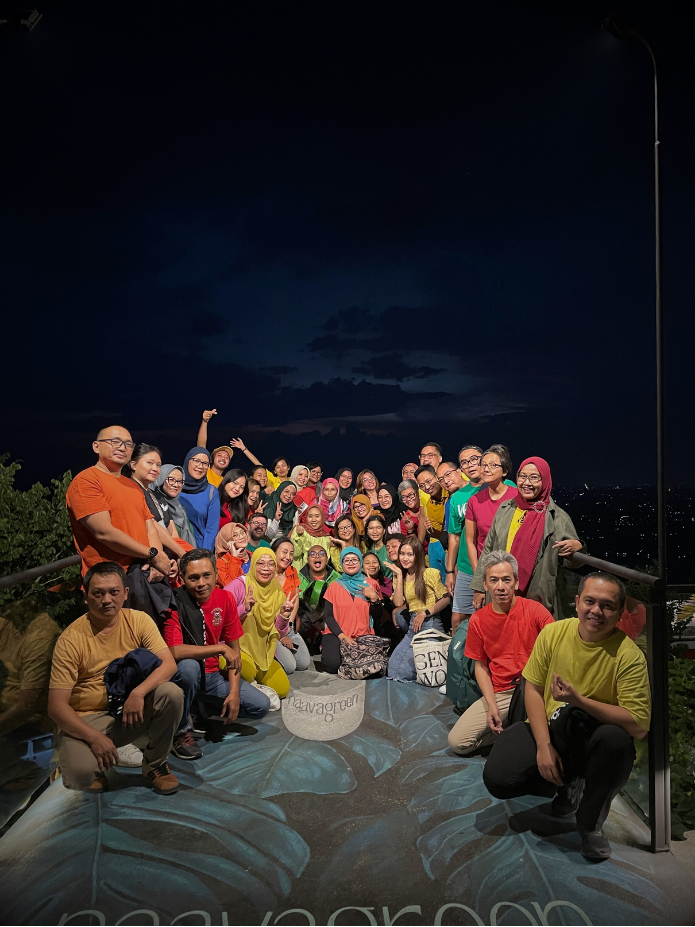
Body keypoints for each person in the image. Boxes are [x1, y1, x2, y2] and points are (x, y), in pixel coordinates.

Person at [483, 572, 651, 861]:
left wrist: (578, 700)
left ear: (620, 612)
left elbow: (638, 725)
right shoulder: (554, 633)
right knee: (498, 777)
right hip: (552, 727)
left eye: (607, 605)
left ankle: (590, 825)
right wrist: (543, 747)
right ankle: (566, 783)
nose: (596, 611)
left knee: (616, 742)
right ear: (577, 602)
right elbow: (532, 689)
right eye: (590, 601)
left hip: (594, 738)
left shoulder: (629, 656)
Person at [48, 561, 182, 795]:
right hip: (88, 717)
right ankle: (92, 761)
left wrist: (138, 693)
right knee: (80, 776)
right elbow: (56, 706)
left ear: (125, 593)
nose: (107, 600)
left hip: (128, 709)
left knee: (171, 693)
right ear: (86, 597)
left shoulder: (139, 620)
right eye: (98, 593)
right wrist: (94, 737)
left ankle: (155, 765)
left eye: (114, 592)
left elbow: (168, 664)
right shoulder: (70, 640)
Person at [164, 550, 271, 760]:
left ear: (215, 574)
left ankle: (198, 708)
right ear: (182, 579)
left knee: (261, 706)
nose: (201, 583)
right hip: (182, 675)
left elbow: (234, 650)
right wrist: (219, 649)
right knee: (189, 668)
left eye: (207, 575)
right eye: (193, 578)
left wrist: (234, 692)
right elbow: (173, 651)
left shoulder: (225, 598)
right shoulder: (174, 601)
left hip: (212, 676)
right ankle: (179, 731)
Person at [447, 551, 554, 756]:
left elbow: (557, 647)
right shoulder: (478, 620)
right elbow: (481, 666)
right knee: (458, 742)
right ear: (485, 584)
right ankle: (516, 731)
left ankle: (519, 730)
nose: (500, 587)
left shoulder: (535, 610)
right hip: (503, 691)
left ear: (516, 582)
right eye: (493, 580)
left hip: (537, 687)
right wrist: (491, 704)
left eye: (506, 580)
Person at [66, 426, 177, 621]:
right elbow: (104, 532)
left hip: (140, 577)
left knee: (147, 633)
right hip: (108, 582)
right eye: (115, 442)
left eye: (128, 444)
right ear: (96, 446)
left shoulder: (132, 486)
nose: (122, 447)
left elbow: (149, 526)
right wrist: (152, 554)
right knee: (114, 635)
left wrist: (156, 560)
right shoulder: (86, 481)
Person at [472, 457, 584, 617]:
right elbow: (488, 550)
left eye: (534, 477)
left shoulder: (557, 517)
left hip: (536, 597)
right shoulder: (506, 508)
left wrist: (578, 547)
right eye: (522, 476)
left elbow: (572, 562)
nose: (527, 483)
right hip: (501, 591)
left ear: (545, 481)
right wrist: (479, 587)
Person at [224, 549, 294, 698]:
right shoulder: (238, 586)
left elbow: (278, 634)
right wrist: (244, 608)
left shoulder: (277, 592)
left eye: (271, 564)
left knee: (282, 689)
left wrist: (284, 616)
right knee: (247, 672)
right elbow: (221, 621)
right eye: (260, 563)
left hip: (263, 652)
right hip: (234, 648)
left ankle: (252, 687)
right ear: (253, 564)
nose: (266, 568)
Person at [387, 537, 451, 682]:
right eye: (402, 554)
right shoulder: (400, 575)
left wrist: (425, 613)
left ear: (418, 555)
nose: (405, 558)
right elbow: (398, 602)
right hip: (413, 626)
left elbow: (446, 599)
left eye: (410, 554)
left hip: (430, 624)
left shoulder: (429, 573)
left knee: (406, 672)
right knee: (393, 669)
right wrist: (399, 575)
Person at [320, 548, 384, 675]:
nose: (350, 563)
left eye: (354, 559)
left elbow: (378, 616)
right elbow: (328, 615)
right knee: (332, 666)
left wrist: (374, 599)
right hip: (338, 634)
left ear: (360, 562)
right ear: (342, 563)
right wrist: (342, 636)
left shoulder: (371, 584)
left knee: (371, 668)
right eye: (347, 560)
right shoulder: (334, 586)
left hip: (363, 635)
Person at [438, 455, 483, 632]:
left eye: (448, 474)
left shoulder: (491, 488)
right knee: (457, 619)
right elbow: (454, 537)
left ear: (459, 471)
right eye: (441, 479)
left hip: (489, 561)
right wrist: (450, 571)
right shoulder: (454, 500)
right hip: (465, 565)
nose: (445, 481)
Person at [124, 444, 188, 559]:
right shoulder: (130, 490)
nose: (155, 468)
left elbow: (172, 531)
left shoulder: (156, 495)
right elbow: (152, 526)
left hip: (166, 556)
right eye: (150, 463)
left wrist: (176, 556)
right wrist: (180, 553)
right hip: (146, 557)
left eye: (158, 465)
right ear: (133, 465)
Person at [465, 444, 518, 573]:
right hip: (486, 567)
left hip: (513, 566)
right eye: (483, 465)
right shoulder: (474, 501)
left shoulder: (517, 497)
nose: (486, 469)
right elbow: (470, 540)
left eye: (493, 465)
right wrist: (477, 571)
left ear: (504, 471)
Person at [270, 537, 312, 674]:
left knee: (304, 663)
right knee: (290, 667)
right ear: (274, 552)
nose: (288, 557)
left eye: (291, 553)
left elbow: (295, 600)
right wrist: (280, 635)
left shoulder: (292, 571)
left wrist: (288, 626)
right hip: (270, 629)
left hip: (288, 625)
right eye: (284, 552)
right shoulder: (266, 573)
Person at [297, 546, 339, 651]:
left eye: (321, 553)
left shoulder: (338, 579)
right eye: (312, 554)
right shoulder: (298, 578)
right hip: (305, 623)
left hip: (328, 621)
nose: (317, 556)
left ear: (327, 559)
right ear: (307, 559)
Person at [179, 447, 221, 551]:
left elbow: (211, 530)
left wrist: (204, 555)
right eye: (196, 461)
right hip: (172, 548)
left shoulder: (211, 492)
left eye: (205, 463)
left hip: (197, 550)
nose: (200, 466)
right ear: (187, 461)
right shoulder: (175, 485)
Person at [153, 465, 196, 546]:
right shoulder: (154, 504)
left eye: (180, 481)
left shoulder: (181, 508)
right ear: (161, 479)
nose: (176, 485)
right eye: (171, 479)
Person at [195, 410, 234, 487]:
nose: (223, 458)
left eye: (227, 457)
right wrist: (204, 422)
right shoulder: (204, 471)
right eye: (219, 455)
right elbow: (201, 447)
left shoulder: (226, 483)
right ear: (211, 459)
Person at [415, 465, 449, 543]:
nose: (427, 487)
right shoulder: (430, 506)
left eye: (428, 481)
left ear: (437, 477)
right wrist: (431, 530)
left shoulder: (450, 492)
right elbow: (441, 535)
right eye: (422, 486)